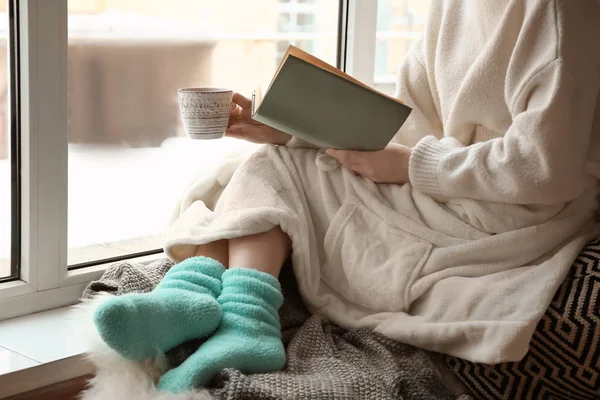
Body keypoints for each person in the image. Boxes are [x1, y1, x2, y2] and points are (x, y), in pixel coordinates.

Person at [93, 0, 600, 394]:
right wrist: (286, 129)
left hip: (508, 212)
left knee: (274, 173)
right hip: (446, 184)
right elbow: (410, 125)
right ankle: (199, 299)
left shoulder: (558, 14)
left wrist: (414, 165)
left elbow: (544, 170)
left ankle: (230, 314)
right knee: (271, 160)